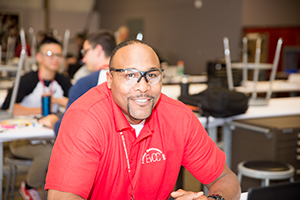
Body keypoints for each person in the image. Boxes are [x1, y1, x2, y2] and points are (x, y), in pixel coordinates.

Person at [45, 39, 241, 200]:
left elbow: (226, 178)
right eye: (130, 75)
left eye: (152, 75)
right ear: (110, 80)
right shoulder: (85, 118)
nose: (143, 87)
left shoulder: (179, 118)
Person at [1, 36, 72, 200]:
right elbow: (9, 108)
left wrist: (58, 101)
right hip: (23, 140)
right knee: (49, 152)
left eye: (58, 55)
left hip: (50, 136)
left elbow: (76, 103)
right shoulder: (27, 80)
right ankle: (29, 186)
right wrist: (42, 109)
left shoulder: (62, 81)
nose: (55, 59)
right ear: (38, 57)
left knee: (62, 151)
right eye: (49, 54)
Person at [39, 29, 116, 134]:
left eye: (85, 52)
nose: (83, 59)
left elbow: (67, 128)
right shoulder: (129, 80)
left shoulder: (84, 84)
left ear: (98, 50)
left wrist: (54, 123)